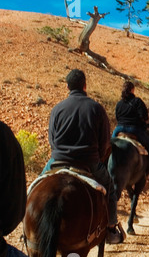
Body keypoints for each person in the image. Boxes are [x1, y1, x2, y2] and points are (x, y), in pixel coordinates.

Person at [41, 69, 124, 244]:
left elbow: (52, 139)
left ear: (67, 86)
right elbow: (104, 142)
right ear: (85, 85)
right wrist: (98, 157)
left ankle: (26, 226)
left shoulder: (57, 109)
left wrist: (60, 153)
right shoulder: (96, 108)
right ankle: (110, 229)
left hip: (57, 160)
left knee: (36, 186)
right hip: (88, 161)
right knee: (109, 186)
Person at [0, 121, 58, 257]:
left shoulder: (58, 109)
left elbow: (51, 136)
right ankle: (111, 224)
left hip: (58, 156)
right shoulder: (3, 135)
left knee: (40, 182)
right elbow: (104, 141)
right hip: (86, 159)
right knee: (107, 184)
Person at [111, 81, 149, 182]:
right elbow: (144, 116)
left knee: (107, 148)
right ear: (132, 90)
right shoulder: (137, 101)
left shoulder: (119, 104)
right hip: (134, 130)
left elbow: (117, 117)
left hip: (119, 129)